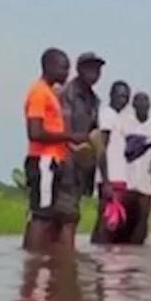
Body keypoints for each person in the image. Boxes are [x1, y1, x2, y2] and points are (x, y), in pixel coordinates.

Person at [22, 49, 87, 252]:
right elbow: (35, 132)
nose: (67, 72)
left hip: (52, 160)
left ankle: (42, 259)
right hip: (43, 161)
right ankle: (32, 261)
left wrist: (73, 145)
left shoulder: (50, 93)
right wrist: (69, 135)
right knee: (42, 215)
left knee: (49, 213)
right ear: (48, 66)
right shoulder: (39, 92)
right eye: (63, 67)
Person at [60, 52, 105, 200]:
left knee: (74, 206)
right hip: (64, 157)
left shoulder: (94, 100)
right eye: (91, 69)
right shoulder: (67, 93)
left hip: (83, 160)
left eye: (98, 70)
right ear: (80, 69)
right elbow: (62, 127)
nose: (95, 74)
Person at [91, 80, 131, 244]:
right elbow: (101, 147)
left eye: (126, 97)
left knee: (109, 221)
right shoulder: (107, 114)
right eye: (120, 96)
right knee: (107, 221)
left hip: (118, 177)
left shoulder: (118, 117)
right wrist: (106, 181)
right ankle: (103, 261)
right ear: (111, 95)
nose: (123, 100)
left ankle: (99, 259)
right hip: (110, 178)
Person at [121, 92, 151, 245]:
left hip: (147, 180)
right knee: (125, 221)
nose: (143, 105)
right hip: (128, 179)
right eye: (139, 102)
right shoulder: (126, 123)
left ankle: (139, 255)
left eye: (146, 102)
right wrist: (147, 144)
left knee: (143, 220)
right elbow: (128, 151)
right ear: (133, 106)